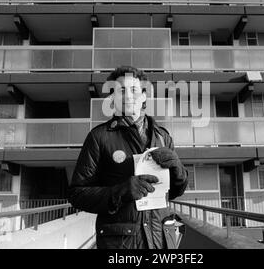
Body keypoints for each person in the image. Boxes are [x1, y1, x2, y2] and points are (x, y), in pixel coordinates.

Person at [68, 66, 188, 249]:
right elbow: (77, 194)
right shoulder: (99, 137)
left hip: (161, 240)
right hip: (122, 243)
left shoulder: (163, 136)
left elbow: (175, 191)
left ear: (144, 96)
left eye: (134, 90)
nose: (128, 96)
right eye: (121, 90)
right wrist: (120, 192)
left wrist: (178, 169)